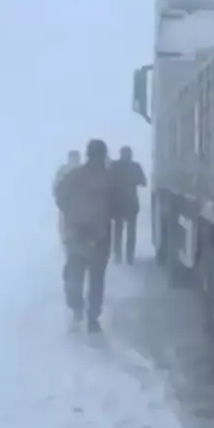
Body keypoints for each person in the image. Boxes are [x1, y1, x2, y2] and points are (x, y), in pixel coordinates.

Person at [54, 139, 117, 332]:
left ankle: (76, 309)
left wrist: (72, 215)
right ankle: (93, 318)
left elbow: (60, 197)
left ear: (88, 154)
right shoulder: (110, 178)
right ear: (103, 154)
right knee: (97, 279)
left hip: (77, 235)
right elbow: (119, 205)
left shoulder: (74, 176)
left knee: (74, 274)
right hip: (101, 237)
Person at [109, 146, 147, 265]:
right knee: (131, 232)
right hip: (131, 203)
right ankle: (129, 256)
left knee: (118, 230)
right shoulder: (135, 166)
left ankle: (118, 255)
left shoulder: (114, 166)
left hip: (117, 203)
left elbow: (107, 181)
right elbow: (143, 182)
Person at [53, 150, 81, 245]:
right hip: (65, 204)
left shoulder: (82, 171)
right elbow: (56, 186)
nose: (74, 161)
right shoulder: (63, 170)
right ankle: (65, 242)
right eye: (73, 158)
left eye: (76, 159)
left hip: (79, 205)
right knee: (64, 226)